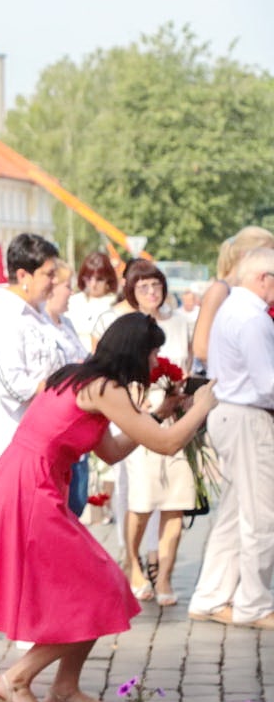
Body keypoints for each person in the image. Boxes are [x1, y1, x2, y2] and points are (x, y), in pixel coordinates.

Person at [0, 312, 217, 702]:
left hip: (29, 485)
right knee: (103, 589)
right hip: (29, 491)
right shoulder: (104, 388)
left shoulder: (79, 377)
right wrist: (200, 407)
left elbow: (111, 451)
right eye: (153, 353)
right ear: (136, 352)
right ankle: (16, 680)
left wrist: (158, 414)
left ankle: (64, 689)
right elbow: (167, 446)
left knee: (97, 589)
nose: (155, 363)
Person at [188, 248, 274, 629]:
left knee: (235, 513)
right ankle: (253, 604)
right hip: (248, 418)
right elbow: (268, 384)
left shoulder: (231, 307)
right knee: (260, 516)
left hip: (229, 412)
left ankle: (210, 596)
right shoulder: (253, 317)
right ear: (262, 278)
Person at [115, 261, 194, 606]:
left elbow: (189, 365)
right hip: (139, 418)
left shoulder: (178, 324)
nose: (151, 293)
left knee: (176, 501)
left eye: (156, 286)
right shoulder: (125, 327)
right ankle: (133, 563)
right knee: (143, 500)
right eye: (143, 287)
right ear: (131, 291)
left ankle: (164, 575)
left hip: (175, 416)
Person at [0, 233, 63, 486]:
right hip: (9, 438)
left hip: (44, 439)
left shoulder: (40, 314)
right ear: (23, 275)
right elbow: (13, 385)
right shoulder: (0, 316)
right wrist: (64, 385)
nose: (54, 282)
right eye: (48, 274)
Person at [191, 227, 274, 371]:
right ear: (244, 255)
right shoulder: (220, 290)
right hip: (225, 383)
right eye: (266, 253)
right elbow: (201, 348)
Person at [45, 259, 90, 516]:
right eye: (66, 286)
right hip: (57, 422)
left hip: (76, 423)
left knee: (77, 501)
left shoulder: (67, 324)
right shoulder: (41, 326)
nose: (71, 292)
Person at [67, 252, 119, 353]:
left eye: (99, 279)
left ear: (109, 279)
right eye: (88, 278)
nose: (93, 284)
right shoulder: (72, 302)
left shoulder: (116, 303)